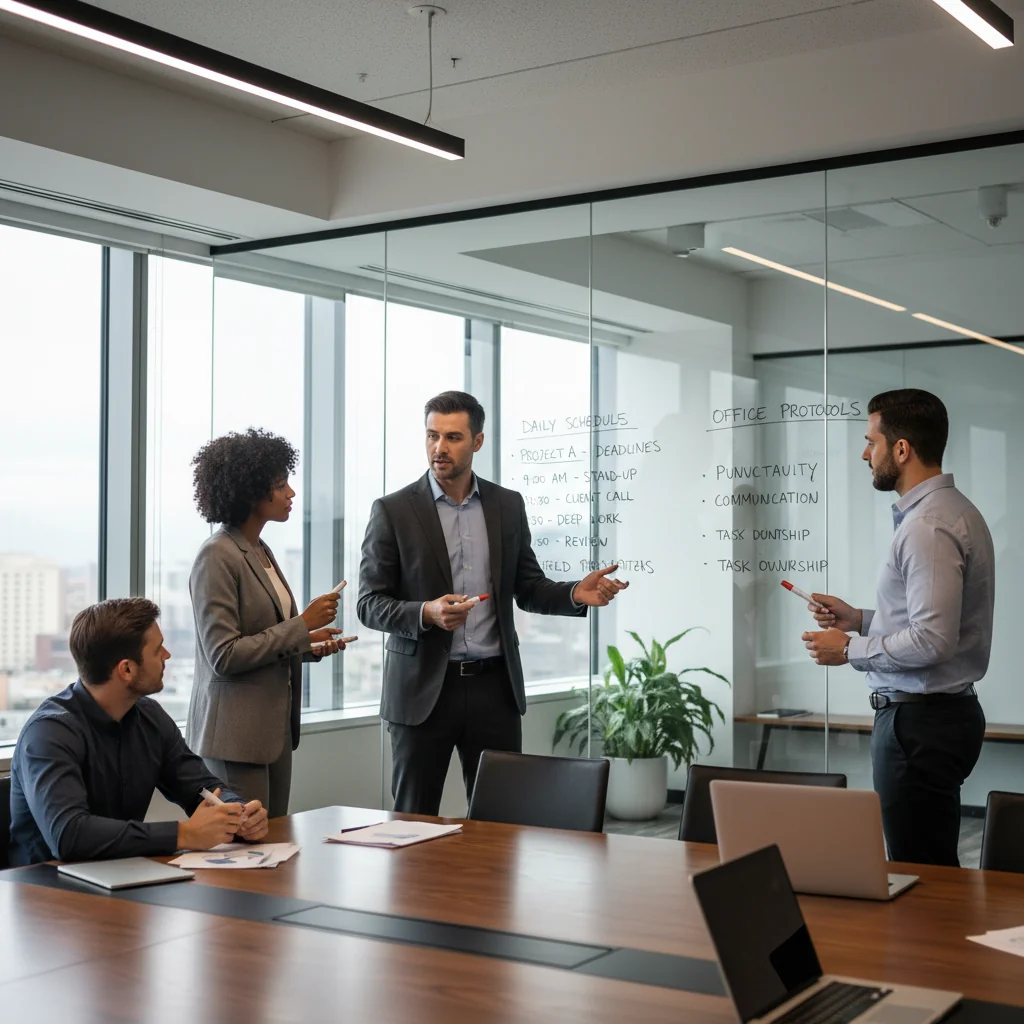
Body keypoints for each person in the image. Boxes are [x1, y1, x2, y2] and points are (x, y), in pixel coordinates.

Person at [358, 390, 629, 815]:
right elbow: (369, 603)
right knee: (413, 819)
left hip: (494, 689)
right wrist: (426, 612)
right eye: (432, 436)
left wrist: (576, 593)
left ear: (478, 441)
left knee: (501, 819)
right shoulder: (392, 511)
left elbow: (528, 587)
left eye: (452, 437)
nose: (439, 448)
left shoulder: (506, 505)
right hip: (422, 690)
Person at [802, 389, 994, 867]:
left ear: (902, 449)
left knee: (918, 871)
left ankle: (934, 944)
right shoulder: (954, 511)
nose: (866, 454)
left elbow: (931, 640)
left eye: (872, 442)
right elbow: (928, 621)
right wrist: (860, 619)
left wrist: (849, 647)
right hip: (933, 719)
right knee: (928, 863)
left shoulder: (927, 526)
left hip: (920, 724)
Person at [9, 598, 268, 867]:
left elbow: (201, 787)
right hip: (45, 890)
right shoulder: (47, 734)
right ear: (127, 669)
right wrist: (184, 834)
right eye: (158, 650)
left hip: (120, 875)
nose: (167, 655)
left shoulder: (149, 717)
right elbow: (69, 836)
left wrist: (239, 813)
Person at [187, 428, 355, 818]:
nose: (291, 494)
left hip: (272, 731)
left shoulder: (259, 549)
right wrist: (301, 626)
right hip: (234, 735)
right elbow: (223, 655)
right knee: (243, 850)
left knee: (275, 842)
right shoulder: (216, 556)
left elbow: (265, 638)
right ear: (250, 493)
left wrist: (308, 645)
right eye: (281, 486)